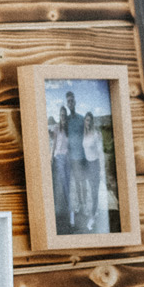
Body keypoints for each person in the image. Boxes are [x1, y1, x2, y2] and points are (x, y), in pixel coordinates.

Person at [63, 89, 87, 229]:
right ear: (67, 104)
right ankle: (78, 205)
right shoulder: (66, 121)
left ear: (75, 102)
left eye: (72, 101)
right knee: (76, 183)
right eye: (68, 101)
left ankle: (84, 205)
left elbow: (86, 137)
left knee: (82, 182)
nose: (71, 103)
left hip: (81, 156)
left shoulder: (81, 119)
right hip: (71, 158)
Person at [81, 111, 103, 231]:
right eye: (86, 120)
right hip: (88, 165)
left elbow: (100, 153)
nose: (88, 122)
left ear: (92, 121)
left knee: (94, 192)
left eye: (89, 120)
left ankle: (92, 218)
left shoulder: (96, 134)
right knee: (91, 191)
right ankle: (95, 211)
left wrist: (101, 170)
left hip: (95, 165)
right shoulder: (84, 134)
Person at [50, 107, 71, 231]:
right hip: (58, 158)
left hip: (67, 158)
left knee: (68, 182)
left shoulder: (68, 128)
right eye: (61, 115)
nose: (63, 117)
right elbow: (54, 143)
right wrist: (51, 156)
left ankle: (68, 208)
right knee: (62, 182)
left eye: (64, 115)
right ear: (59, 115)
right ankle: (63, 210)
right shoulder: (57, 128)